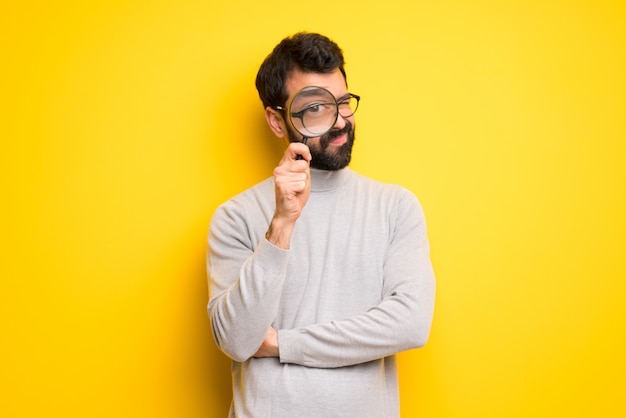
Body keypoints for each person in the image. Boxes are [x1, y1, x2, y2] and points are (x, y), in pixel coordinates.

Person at [207, 32, 436, 418]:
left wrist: (283, 344)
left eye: (344, 102)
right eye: (317, 108)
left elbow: (410, 324)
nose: (341, 121)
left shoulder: (396, 207)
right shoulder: (234, 217)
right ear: (277, 122)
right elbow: (236, 340)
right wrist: (281, 224)